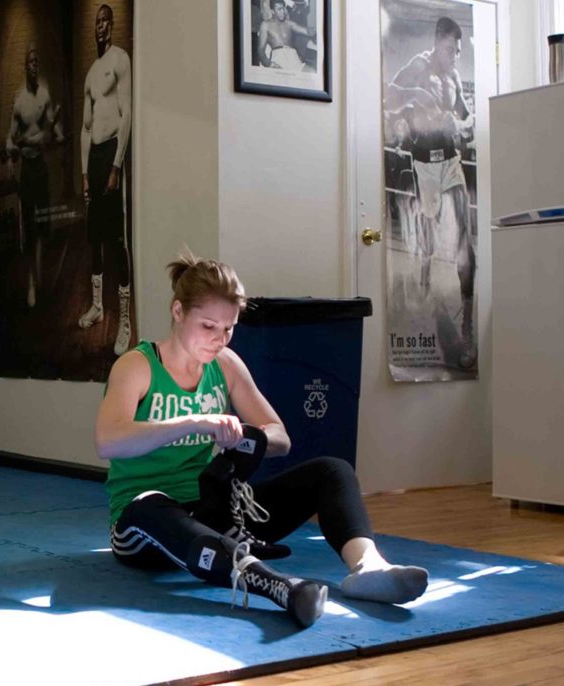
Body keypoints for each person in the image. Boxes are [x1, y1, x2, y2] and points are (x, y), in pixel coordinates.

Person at [95, 252, 428, 628]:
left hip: (214, 510)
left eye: (229, 329)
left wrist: (245, 441)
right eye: (208, 326)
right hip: (142, 522)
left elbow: (279, 436)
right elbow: (109, 441)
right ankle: (283, 589)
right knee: (151, 507)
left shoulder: (226, 366)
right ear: (177, 312)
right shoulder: (138, 366)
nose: (219, 340)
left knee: (332, 471)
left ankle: (369, 567)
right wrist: (194, 422)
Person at [386, 16, 476, 369]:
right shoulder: (417, 66)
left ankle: (467, 324)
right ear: (439, 41)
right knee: (428, 236)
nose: (455, 55)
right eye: (452, 48)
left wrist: (464, 126)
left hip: (450, 162)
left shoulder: (454, 78)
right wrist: (417, 96)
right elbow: (389, 95)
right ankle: (423, 268)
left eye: (458, 50)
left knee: (464, 239)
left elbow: (467, 118)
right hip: (424, 163)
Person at [79, 4, 133, 356]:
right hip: (94, 158)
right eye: (96, 22)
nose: (100, 26)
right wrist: (85, 173)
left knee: (116, 239)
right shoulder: (91, 73)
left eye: (105, 21)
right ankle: (98, 307)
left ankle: (125, 319)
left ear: (111, 26)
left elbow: (127, 114)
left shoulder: (119, 60)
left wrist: (116, 166)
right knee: (94, 238)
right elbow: (85, 129)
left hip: (112, 152)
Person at [5, 43, 64, 309]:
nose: (33, 67)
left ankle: (39, 277)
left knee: (42, 227)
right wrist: (10, 146)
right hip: (27, 168)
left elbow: (51, 127)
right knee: (29, 228)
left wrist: (56, 132)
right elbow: (10, 136)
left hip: (40, 166)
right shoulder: (20, 101)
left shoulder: (45, 96)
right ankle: (31, 282)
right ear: (24, 67)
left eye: (36, 63)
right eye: (30, 63)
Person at [258, 0, 316, 72]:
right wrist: (268, 64)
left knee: (312, 71)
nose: (283, 12)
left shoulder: (289, 23)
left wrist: (318, 29)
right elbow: (261, 49)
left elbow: (307, 31)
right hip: (278, 57)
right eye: (279, 9)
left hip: (293, 56)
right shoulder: (265, 25)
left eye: (283, 8)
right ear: (272, 11)